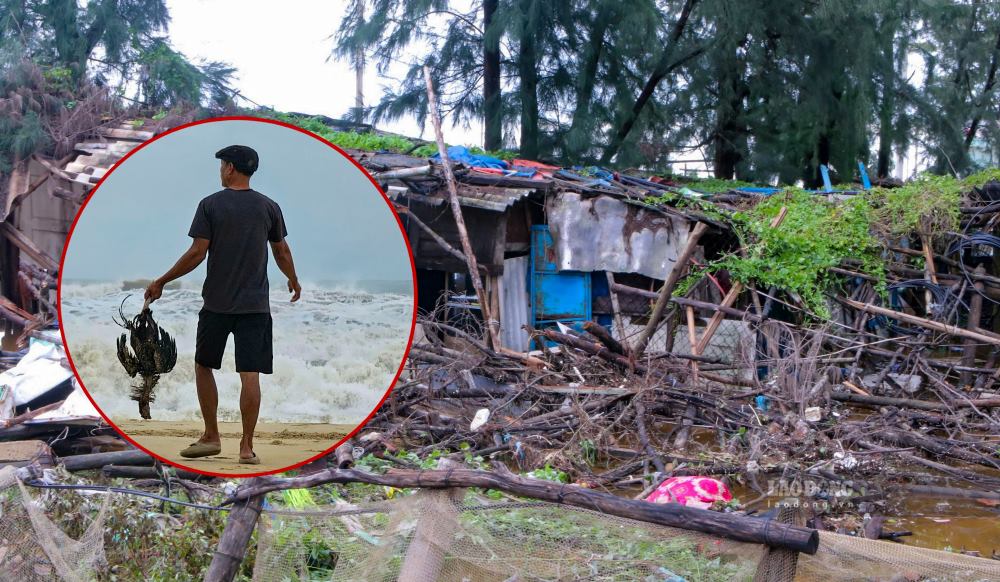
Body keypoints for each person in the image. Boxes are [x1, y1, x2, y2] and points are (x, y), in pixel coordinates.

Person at [145, 145, 301, 465]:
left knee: (204, 365)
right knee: (250, 374)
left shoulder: (210, 205)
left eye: (222, 165)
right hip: (255, 307)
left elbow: (196, 253)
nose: (220, 170)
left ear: (230, 168)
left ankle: (212, 436)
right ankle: (246, 447)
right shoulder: (269, 207)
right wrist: (293, 279)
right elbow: (281, 251)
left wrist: (161, 280)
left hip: (216, 304)